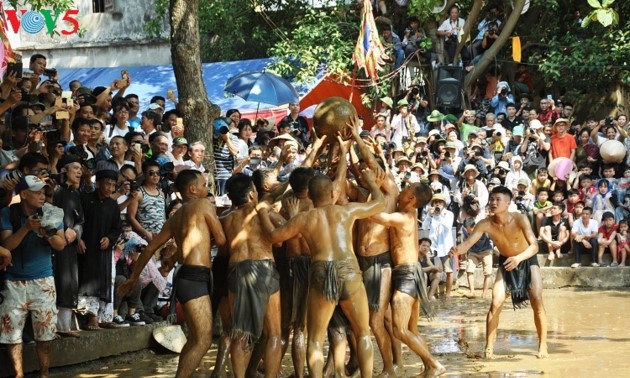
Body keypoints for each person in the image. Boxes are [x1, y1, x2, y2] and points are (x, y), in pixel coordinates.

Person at [258, 157, 386, 378]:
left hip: (320, 271)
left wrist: (261, 210)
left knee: (315, 339)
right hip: (349, 270)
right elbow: (380, 203)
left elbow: (272, 236)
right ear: (332, 194)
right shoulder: (346, 211)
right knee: (363, 332)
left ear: (309, 194)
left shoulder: (304, 219)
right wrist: (372, 183)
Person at [118, 169, 226, 378]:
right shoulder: (204, 205)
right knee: (203, 340)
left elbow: (150, 249)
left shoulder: (175, 218)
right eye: (204, 185)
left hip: (185, 275)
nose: (207, 189)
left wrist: (134, 277)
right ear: (193, 189)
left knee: (195, 339)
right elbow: (221, 240)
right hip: (196, 277)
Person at [450, 186, 548, 360]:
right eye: (492, 199)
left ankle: (543, 344)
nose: (494, 203)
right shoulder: (485, 223)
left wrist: (518, 259)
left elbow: (535, 246)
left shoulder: (520, 218)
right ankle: (489, 347)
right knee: (495, 303)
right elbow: (467, 244)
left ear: (508, 203)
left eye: (498, 200)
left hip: (526, 259)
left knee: (537, 299)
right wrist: (456, 250)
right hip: (505, 261)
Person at [368, 182, 446, 377]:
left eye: (406, 190)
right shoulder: (409, 213)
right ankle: (429, 367)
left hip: (407, 275)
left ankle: (434, 364)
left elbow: (372, 215)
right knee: (412, 329)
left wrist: (372, 186)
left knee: (400, 330)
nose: (401, 190)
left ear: (411, 199)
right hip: (411, 273)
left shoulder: (404, 217)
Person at [0, 176, 66, 378]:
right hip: (13, 281)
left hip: (43, 279)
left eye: (43, 191)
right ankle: (18, 375)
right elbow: (7, 247)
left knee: (45, 334)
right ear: (23, 194)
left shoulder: (52, 212)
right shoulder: (7, 213)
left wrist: (46, 233)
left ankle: (44, 374)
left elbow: (61, 245)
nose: (42, 195)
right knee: (12, 335)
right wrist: (26, 228)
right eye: (37, 191)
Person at [219, 173, 283, 378]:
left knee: (240, 333)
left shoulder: (225, 219)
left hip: (236, 270)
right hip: (264, 267)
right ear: (252, 194)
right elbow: (281, 238)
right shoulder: (262, 213)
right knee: (273, 332)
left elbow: (220, 244)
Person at [78, 170, 122, 330]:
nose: (110, 188)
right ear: (98, 184)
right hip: (87, 250)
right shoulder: (85, 200)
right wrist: (79, 239)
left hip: (104, 251)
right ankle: (92, 318)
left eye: (113, 185)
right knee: (89, 283)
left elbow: (117, 228)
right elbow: (78, 222)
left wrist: (110, 238)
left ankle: (106, 317)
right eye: (107, 184)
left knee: (107, 283)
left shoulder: (113, 205)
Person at [422, 193, 455, 298]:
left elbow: (448, 227)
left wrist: (438, 215)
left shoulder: (449, 214)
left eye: (440, 202)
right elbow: (424, 227)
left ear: (443, 204)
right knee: (432, 269)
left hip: (445, 247)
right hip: (432, 248)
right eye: (435, 202)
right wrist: (429, 216)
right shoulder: (430, 214)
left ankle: (448, 295)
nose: (437, 205)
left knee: (449, 271)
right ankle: (432, 294)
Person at [461, 217, 493, 299]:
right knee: (469, 270)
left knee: (487, 273)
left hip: (486, 251)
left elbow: (492, 238)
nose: (469, 231)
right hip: (473, 252)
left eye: (470, 229)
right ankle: (472, 292)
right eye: (467, 229)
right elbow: (465, 241)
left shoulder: (484, 229)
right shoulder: (464, 230)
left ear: (474, 226)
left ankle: (484, 294)